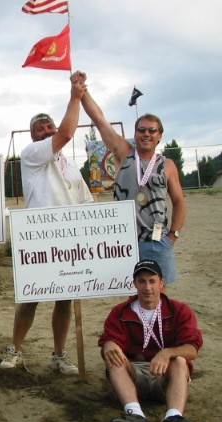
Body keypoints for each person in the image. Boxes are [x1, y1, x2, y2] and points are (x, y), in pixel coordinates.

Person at [0, 71, 93, 374]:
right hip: (40, 237)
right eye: (40, 129)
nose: (46, 131)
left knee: (65, 299)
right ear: (33, 137)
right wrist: (75, 96)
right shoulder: (31, 154)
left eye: (49, 126)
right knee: (31, 298)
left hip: (68, 239)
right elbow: (65, 134)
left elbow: (85, 203)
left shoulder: (69, 166)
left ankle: (59, 354)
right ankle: (16, 349)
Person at [78, 72, 186, 285]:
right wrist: (82, 92)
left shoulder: (168, 165)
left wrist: (173, 236)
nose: (146, 134)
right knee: (131, 296)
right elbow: (99, 120)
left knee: (159, 298)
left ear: (159, 135)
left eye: (152, 130)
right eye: (141, 130)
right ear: (135, 133)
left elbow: (179, 201)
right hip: (124, 242)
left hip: (157, 241)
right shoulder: (124, 153)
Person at [98, 260, 203, 422]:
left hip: (165, 378)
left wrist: (168, 352)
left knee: (180, 360)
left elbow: (192, 349)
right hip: (134, 376)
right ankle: (135, 417)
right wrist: (109, 345)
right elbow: (109, 340)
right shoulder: (120, 312)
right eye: (142, 281)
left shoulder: (179, 310)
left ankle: (173, 419)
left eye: (152, 281)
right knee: (114, 359)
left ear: (161, 283)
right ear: (135, 284)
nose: (148, 287)